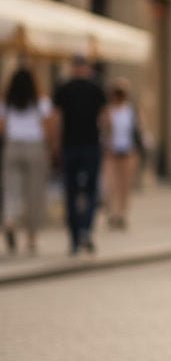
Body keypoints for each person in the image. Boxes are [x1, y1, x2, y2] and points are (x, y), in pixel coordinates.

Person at [52, 55, 107, 255]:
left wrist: (55, 146)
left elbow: (57, 120)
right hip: (91, 145)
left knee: (71, 192)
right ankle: (86, 230)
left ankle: (75, 237)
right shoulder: (96, 88)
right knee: (91, 191)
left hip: (70, 146)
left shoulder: (63, 88)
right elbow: (105, 119)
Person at [0, 67, 55, 255]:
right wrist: (51, 149)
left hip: (13, 145)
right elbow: (48, 128)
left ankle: (10, 220)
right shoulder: (41, 102)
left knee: (11, 190)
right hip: (35, 146)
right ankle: (31, 236)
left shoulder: (7, 102)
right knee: (34, 192)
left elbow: (2, 127)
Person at [104, 79, 142, 230]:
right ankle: (113, 213)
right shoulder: (107, 111)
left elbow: (138, 131)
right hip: (111, 152)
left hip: (127, 151)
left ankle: (122, 213)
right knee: (111, 184)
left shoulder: (131, 111)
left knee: (124, 185)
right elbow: (103, 129)